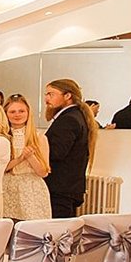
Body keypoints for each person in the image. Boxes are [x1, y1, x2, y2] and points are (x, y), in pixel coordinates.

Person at [43, 78, 98, 218]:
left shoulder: (68, 119)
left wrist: (35, 148)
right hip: (68, 187)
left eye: (51, 94)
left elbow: (56, 153)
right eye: (46, 94)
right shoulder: (76, 116)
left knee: (60, 233)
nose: (46, 98)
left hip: (60, 188)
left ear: (67, 96)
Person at [1, 95, 53, 221]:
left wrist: (30, 157)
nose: (17, 115)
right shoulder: (2, 138)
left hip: (31, 189)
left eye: (21, 111)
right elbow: (2, 167)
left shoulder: (39, 137)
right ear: (6, 114)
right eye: (12, 111)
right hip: (7, 187)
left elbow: (43, 172)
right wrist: (20, 159)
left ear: (28, 113)